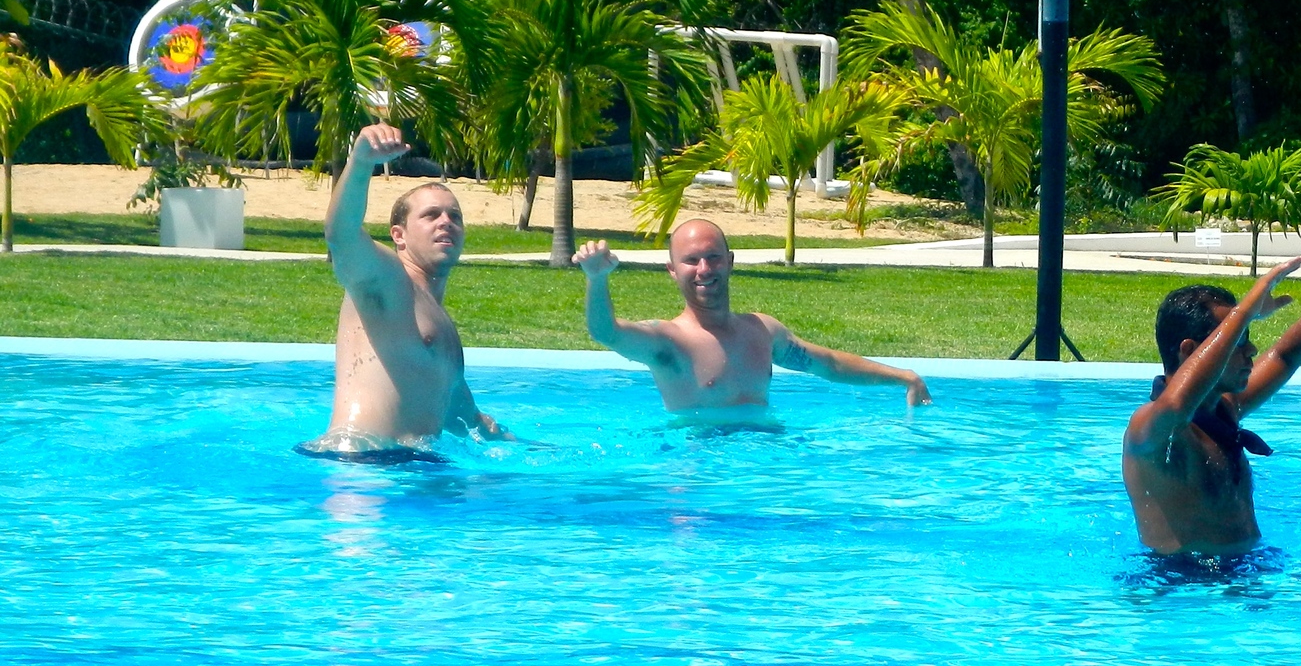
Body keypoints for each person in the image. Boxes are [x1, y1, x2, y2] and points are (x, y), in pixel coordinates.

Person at [1121, 246, 1301, 556]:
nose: (1252, 349)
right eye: (1237, 339)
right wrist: (1245, 308)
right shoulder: (1151, 428)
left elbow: (1285, 356)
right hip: (1182, 586)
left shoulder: (1223, 409)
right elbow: (1177, 405)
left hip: (1244, 571)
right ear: (1191, 351)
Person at [576, 221, 930, 421]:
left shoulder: (761, 331)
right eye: (691, 260)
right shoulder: (668, 343)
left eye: (713, 258)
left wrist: (903, 378)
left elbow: (829, 365)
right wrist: (597, 279)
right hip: (701, 465)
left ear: (730, 261)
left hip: (768, 465)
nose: (704, 270)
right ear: (672, 270)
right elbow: (606, 331)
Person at [305, 122, 505, 459]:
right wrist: (361, 161)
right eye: (431, 215)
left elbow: (470, 422)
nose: (446, 222)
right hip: (359, 463)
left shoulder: (443, 330)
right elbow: (341, 235)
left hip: (415, 466)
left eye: (454, 216)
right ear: (399, 235)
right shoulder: (387, 281)